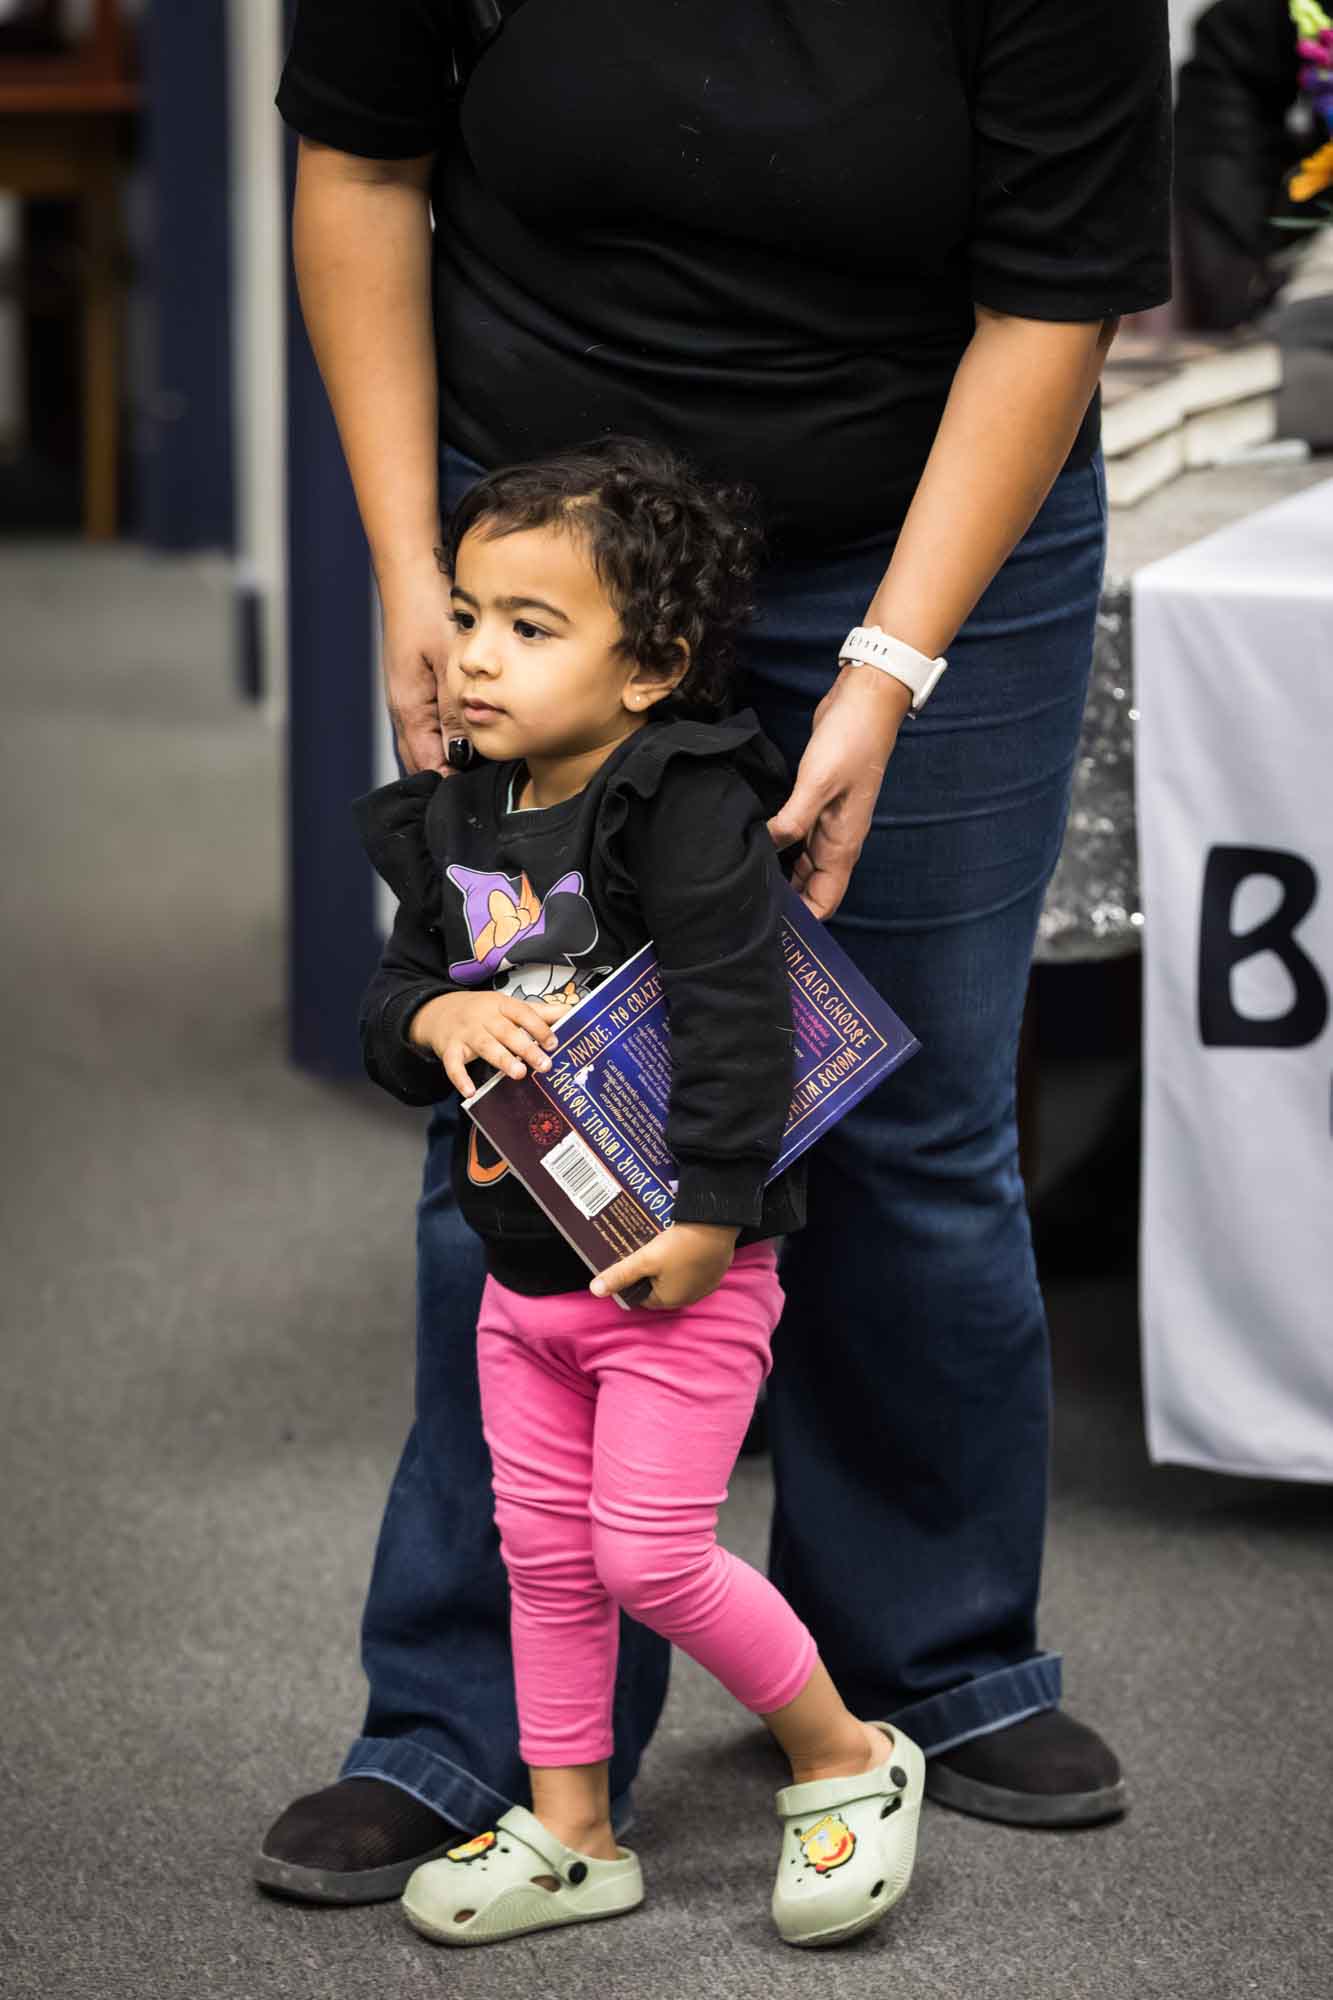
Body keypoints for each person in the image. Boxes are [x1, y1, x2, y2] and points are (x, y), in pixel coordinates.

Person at [259, 0, 1173, 1904]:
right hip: (548, 543)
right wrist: (421, 575)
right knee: (517, 1116)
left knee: (904, 1117)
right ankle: (473, 1725)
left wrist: (891, 666)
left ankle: (925, 1660)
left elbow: (1054, 288)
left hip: (912, 523)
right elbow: (358, 162)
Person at [351, 435, 925, 1950]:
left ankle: (846, 1758)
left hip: (682, 1267)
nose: (474, 659)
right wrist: (435, 1018)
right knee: (539, 1553)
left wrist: (714, 1213)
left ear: (648, 671)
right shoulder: (461, 808)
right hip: (521, 1276)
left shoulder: (680, 799)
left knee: (648, 1556)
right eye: (470, 616)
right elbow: (396, 999)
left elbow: (739, 1012)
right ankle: (571, 1830)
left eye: (530, 631)